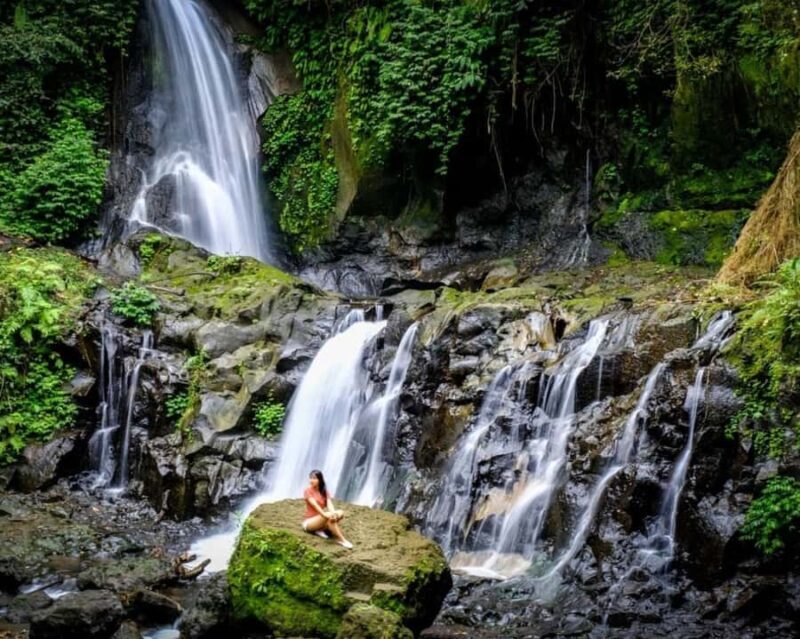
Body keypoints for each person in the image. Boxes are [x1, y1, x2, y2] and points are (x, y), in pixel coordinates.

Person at [302, 469, 353, 549]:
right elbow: (315, 505)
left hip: (320, 520)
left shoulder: (324, 491)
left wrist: (334, 514)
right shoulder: (307, 491)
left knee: (340, 512)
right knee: (329, 517)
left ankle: (319, 529)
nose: (311, 480)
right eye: (310, 478)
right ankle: (342, 540)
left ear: (320, 480)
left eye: (314, 478)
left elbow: (329, 504)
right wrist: (326, 515)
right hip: (309, 522)